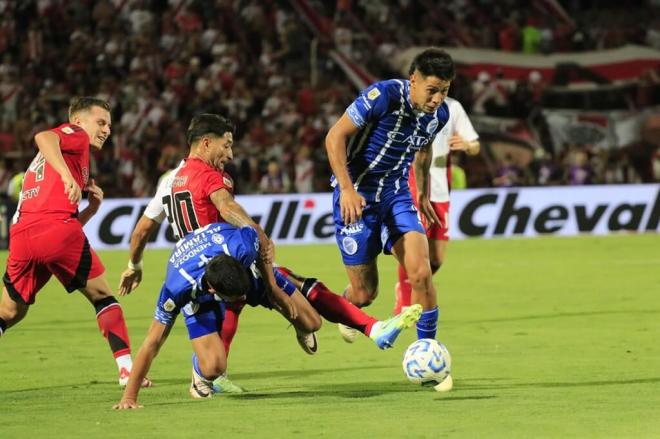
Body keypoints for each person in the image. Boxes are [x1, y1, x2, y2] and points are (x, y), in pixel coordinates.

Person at [113, 222, 422, 409]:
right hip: (203, 300)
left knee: (312, 321)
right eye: (236, 300)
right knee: (215, 366)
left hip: (252, 274)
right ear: (212, 289)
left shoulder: (241, 248)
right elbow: (153, 342)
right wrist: (130, 396)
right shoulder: (177, 288)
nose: (243, 302)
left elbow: (254, 235)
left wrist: (271, 286)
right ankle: (199, 376)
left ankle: (297, 321)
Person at [117, 113, 278, 392]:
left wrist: (134, 264)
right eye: (225, 145)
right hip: (218, 261)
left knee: (234, 306)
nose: (229, 153)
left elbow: (141, 231)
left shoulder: (169, 180)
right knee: (261, 294)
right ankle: (205, 371)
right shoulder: (211, 177)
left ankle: (209, 371)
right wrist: (257, 233)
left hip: (189, 269)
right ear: (205, 143)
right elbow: (228, 209)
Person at [0, 97, 150, 387]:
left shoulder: (66, 157)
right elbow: (43, 136)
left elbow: (55, 228)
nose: (106, 130)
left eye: (109, 125)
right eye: (101, 122)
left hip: (23, 237)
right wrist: (68, 177)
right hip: (53, 230)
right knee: (103, 298)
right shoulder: (75, 135)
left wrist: (90, 210)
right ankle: (127, 371)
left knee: (8, 311)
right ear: (78, 121)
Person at [324, 47, 453, 367]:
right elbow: (334, 137)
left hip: (397, 197)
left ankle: (428, 354)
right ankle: (346, 305)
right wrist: (346, 190)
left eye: (445, 91)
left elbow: (422, 150)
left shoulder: (440, 115)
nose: (437, 99)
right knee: (366, 293)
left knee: (422, 273)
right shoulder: (383, 96)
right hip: (358, 198)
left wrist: (422, 194)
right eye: (432, 90)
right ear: (413, 81)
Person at [394, 96, 480, 315]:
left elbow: (475, 145)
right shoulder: (406, 104)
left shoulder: (453, 107)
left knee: (436, 259)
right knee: (415, 247)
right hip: (411, 183)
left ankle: (408, 287)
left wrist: (467, 145)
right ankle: (405, 304)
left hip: (441, 187)